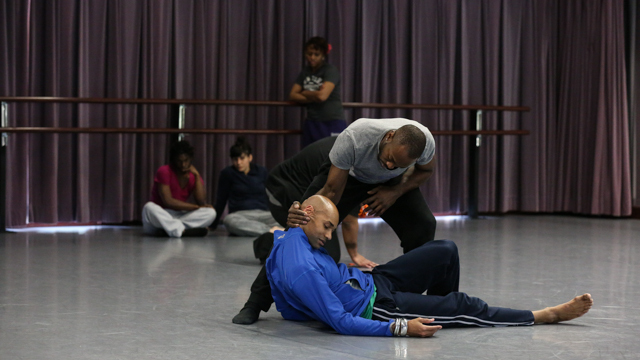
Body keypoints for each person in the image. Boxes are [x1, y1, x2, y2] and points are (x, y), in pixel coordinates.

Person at [266, 195, 594, 337]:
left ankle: (443, 315)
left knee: (445, 250)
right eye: (326, 227)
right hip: (374, 307)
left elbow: (282, 243)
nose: (328, 235)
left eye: (330, 228)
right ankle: (543, 315)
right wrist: (401, 327)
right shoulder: (303, 270)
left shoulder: (291, 234)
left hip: (372, 280)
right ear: (308, 217)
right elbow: (340, 321)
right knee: (463, 304)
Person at [233, 118, 437, 325]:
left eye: (399, 165)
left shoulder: (425, 142)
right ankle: (254, 303)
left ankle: (421, 297)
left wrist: (395, 191)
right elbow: (331, 191)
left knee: (424, 225)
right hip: (348, 178)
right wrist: (304, 211)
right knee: (298, 230)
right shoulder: (355, 138)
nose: (390, 165)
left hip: (390, 186)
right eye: (390, 158)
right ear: (389, 136)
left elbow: (426, 170)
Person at [141, 141, 216, 238]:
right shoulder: (164, 171)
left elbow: (201, 201)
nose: (183, 164)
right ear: (173, 160)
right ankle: (182, 231)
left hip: (179, 215)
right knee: (148, 207)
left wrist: (197, 175)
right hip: (161, 215)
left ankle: (170, 230)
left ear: (191, 159)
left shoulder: (193, 175)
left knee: (211, 213)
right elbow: (168, 201)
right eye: (179, 161)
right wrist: (196, 207)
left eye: (186, 160)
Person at [212, 137, 283, 237]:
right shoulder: (227, 173)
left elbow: (272, 193)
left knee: (284, 217)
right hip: (240, 215)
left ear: (249, 157)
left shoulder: (261, 171)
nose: (238, 163)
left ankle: (261, 229)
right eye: (235, 159)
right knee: (228, 221)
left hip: (263, 214)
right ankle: (270, 231)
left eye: (242, 158)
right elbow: (221, 200)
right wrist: (213, 225)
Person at [289, 36, 346, 147]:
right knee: (310, 159)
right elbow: (292, 95)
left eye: (316, 54)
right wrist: (315, 95)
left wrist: (305, 92)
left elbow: (322, 96)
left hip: (332, 121)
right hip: (312, 122)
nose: (312, 57)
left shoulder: (330, 70)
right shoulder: (305, 72)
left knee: (332, 158)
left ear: (323, 55)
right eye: (309, 54)